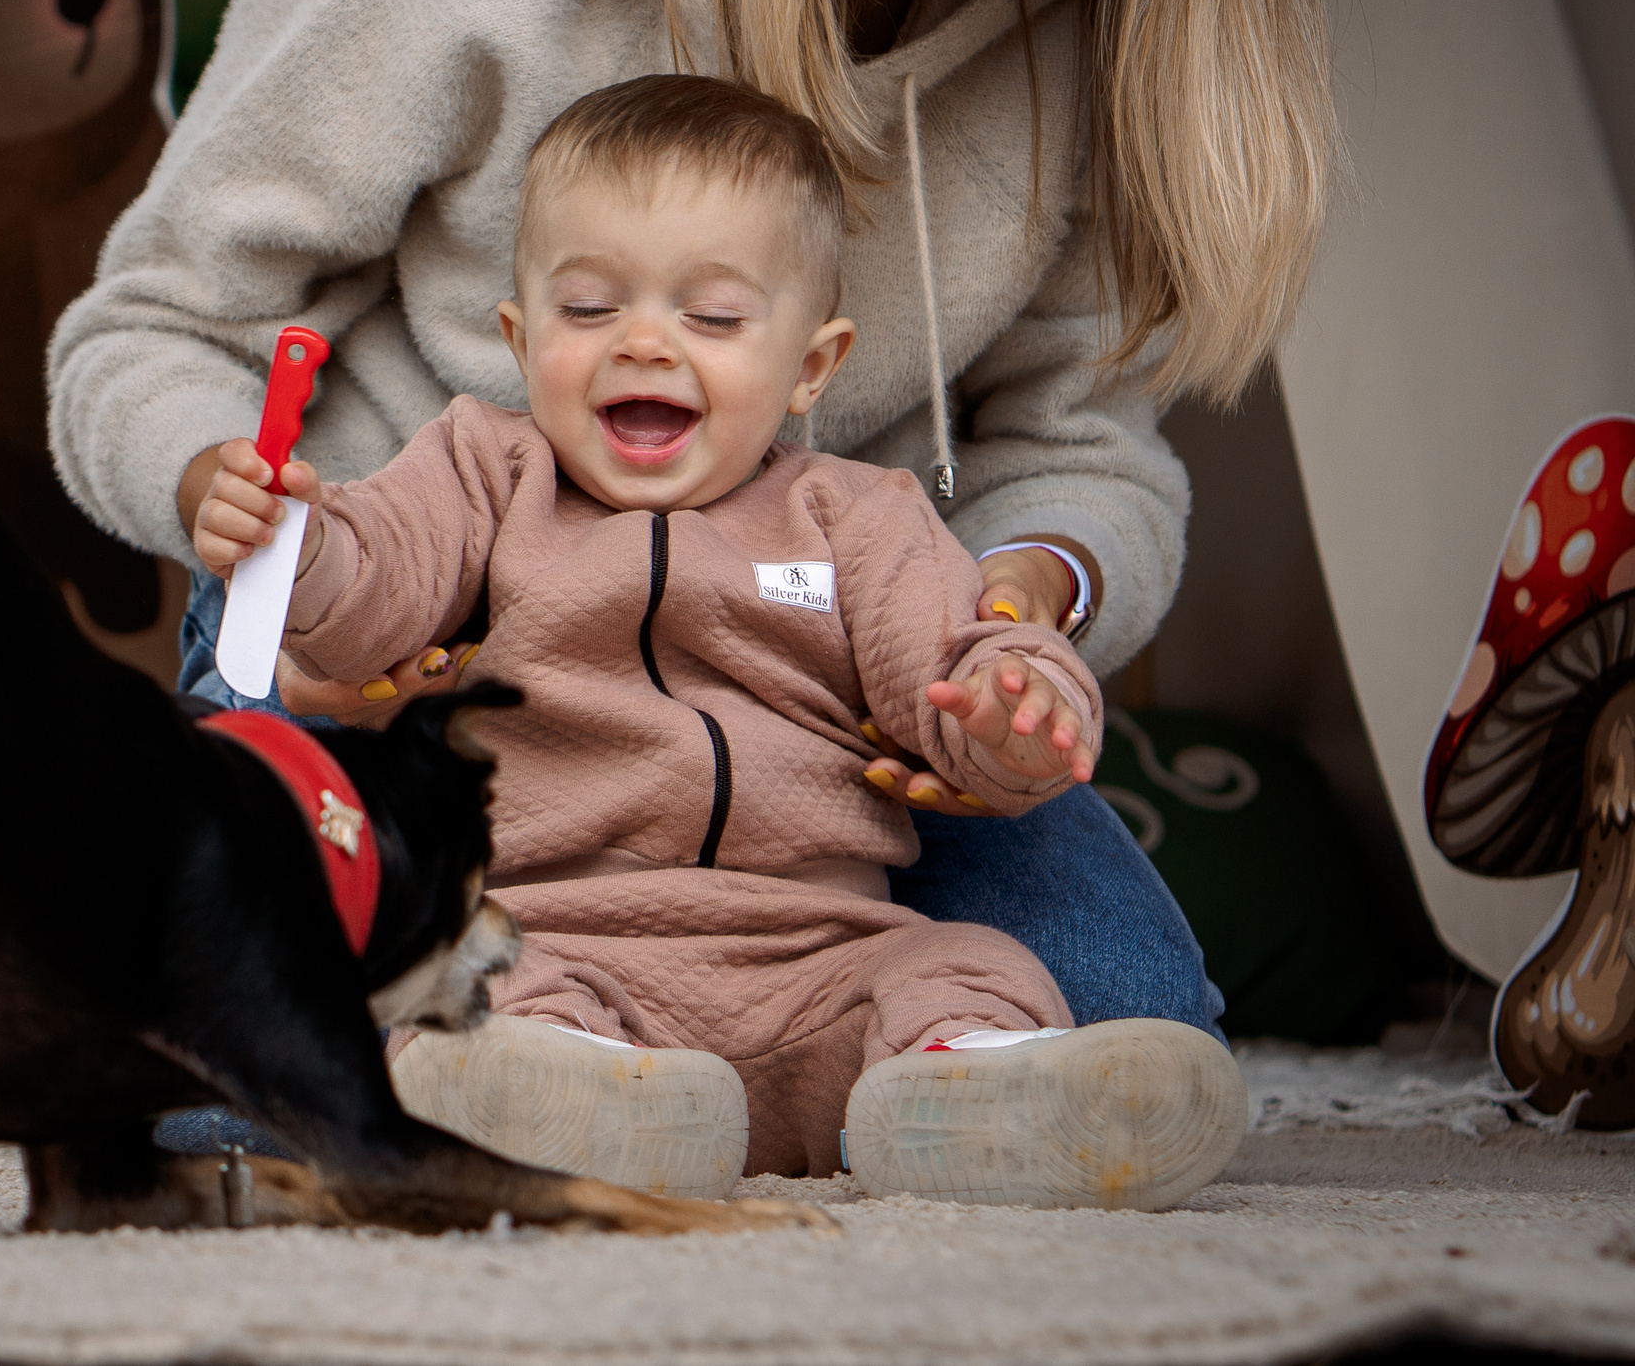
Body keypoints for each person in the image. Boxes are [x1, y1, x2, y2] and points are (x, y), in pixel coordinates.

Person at [49, 0, 1330, 1160]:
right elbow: (155, 324)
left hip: (819, 704)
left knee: (1118, 1010)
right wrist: (272, 535)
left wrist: (1006, 633)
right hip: (405, 634)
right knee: (246, 1049)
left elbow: (1077, 449)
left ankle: (709, 1068)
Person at [189, 75, 1239, 1206]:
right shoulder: (482, 473)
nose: (643, 344)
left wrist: (1015, 710)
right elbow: (378, 580)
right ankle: (569, 1099)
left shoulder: (858, 515)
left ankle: (966, 1088)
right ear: (519, 338)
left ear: (811, 366)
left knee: (970, 964)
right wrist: (299, 545)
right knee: (471, 992)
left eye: (715, 319)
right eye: (588, 308)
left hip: (823, 950)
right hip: (557, 933)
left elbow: (952, 662)